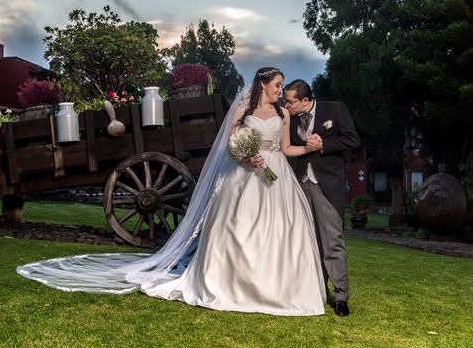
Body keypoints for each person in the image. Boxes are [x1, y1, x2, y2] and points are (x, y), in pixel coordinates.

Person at [17, 67, 328, 316]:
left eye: (282, 85)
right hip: (245, 175)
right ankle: (232, 283)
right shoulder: (243, 112)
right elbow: (230, 146)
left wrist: (309, 147)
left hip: (276, 178)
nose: (280, 90)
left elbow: (286, 148)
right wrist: (246, 156)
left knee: (282, 231)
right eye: (277, 84)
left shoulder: (284, 114)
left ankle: (277, 289)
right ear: (263, 84)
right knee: (236, 226)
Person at [283, 79, 360, 316]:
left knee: (332, 238)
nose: (286, 105)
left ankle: (340, 296)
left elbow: (352, 140)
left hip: (327, 183)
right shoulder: (289, 118)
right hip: (301, 184)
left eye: (290, 101)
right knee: (308, 240)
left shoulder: (334, 109)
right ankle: (315, 288)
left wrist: (323, 144)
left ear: (305, 101)